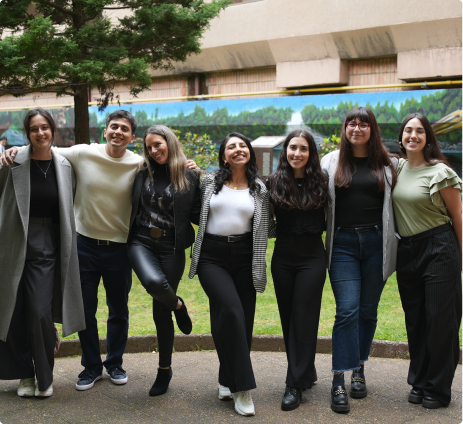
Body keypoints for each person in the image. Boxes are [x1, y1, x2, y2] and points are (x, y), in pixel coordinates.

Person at [0, 110, 198, 391]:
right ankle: (91, 366)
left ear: (132, 137)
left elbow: (167, 166)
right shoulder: (83, 153)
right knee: (86, 310)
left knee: (118, 310)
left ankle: (115, 363)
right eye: (113, 126)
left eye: (124, 129)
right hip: (83, 245)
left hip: (120, 247)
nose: (118, 132)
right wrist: (16, 149)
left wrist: (187, 164)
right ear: (105, 131)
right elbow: (44, 147)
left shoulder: (140, 165)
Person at [0, 108, 85, 398]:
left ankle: (44, 375)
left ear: (53, 130)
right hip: (11, 240)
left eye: (45, 127)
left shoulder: (64, 165)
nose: (40, 133)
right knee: (12, 310)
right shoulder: (11, 161)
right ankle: (24, 374)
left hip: (47, 241)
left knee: (39, 311)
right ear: (27, 133)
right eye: (34, 128)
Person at [320, 106, 398, 413]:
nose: (356, 128)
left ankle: (359, 368)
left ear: (372, 129)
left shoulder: (389, 163)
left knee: (367, 311)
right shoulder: (330, 161)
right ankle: (339, 378)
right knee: (347, 310)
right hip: (342, 244)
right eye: (351, 123)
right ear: (345, 129)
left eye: (363, 124)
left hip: (377, 242)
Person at [189, 132, 271, 417]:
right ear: (223, 155)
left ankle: (226, 377)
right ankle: (242, 388)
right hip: (212, 256)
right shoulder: (209, 182)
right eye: (231, 147)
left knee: (241, 322)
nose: (238, 149)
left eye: (242, 146)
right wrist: (187, 170)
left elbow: (267, 225)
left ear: (250, 152)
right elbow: (193, 209)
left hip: (246, 256)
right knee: (232, 312)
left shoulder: (260, 188)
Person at [392, 113, 463, 409]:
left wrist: (462, 257)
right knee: (416, 320)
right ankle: (419, 382)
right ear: (401, 137)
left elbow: (458, 215)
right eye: (408, 130)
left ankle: (438, 388)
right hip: (407, 251)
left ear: (428, 138)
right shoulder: (396, 168)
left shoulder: (440, 172)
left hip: (439, 247)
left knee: (440, 320)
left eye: (420, 131)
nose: (413, 135)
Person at [126, 125, 200, 396]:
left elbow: (197, 213)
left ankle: (164, 370)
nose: (154, 150)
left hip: (172, 245)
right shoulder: (141, 172)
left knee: (160, 309)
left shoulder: (189, 174)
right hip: (141, 241)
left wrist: (203, 176)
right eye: (149, 147)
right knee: (155, 283)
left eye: (158, 144)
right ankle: (178, 305)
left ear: (169, 142)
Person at [266, 130, 330, 411]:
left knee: (304, 316)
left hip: (312, 256)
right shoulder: (273, 182)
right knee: (289, 318)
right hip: (282, 257)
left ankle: (294, 383)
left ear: (311, 153)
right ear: (285, 151)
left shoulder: (323, 181)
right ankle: (306, 370)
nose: (297, 153)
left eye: (303, 148)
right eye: (293, 147)